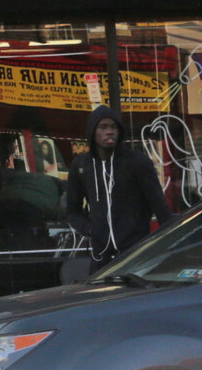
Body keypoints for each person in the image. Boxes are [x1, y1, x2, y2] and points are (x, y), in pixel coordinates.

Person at [62, 106, 176, 278]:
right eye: (103, 127)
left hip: (135, 254)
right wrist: (91, 229)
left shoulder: (137, 162)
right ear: (93, 132)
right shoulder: (81, 166)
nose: (109, 132)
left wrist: (171, 248)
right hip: (101, 257)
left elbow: (160, 208)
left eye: (113, 127)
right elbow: (72, 211)